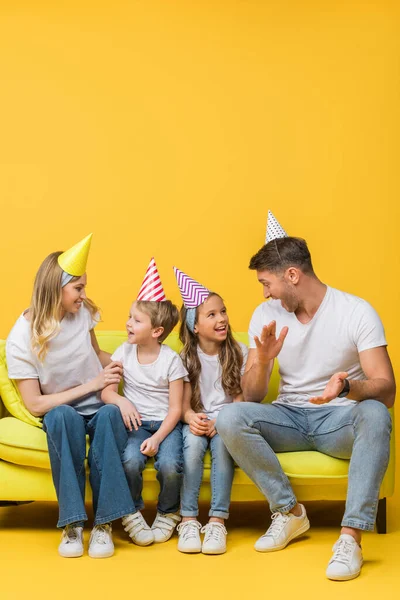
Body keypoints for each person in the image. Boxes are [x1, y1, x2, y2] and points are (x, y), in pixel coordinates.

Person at [216, 212, 395, 581]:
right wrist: (263, 360)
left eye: (267, 283)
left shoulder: (356, 312)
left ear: (292, 275)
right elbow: (251, 395)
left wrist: (346, 387)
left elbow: (387, 389)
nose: (265, 292)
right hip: (288, 418)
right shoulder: (264, 314)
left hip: (339, 421)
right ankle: (289, 512)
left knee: (376, 414)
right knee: (230, 417)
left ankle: (351, 538)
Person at [6, 234, 137, 559]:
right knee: (62, 417)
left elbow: (96, 354)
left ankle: (105, 524)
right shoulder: (21, 337)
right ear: (56, 288)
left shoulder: (83, 314)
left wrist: (138, 363)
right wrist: (92, 384)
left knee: (109, 415)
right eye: (78, 288)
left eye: (84, 288)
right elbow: (35, 404)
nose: (83, 295)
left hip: (100, 406)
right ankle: (73, 525)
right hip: (60, 408)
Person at [101, 258, 187, 546]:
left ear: (156, 331)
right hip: (135, 424)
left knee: (171, 464)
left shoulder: (171, 360)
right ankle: (134, 512)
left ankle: (168, 512)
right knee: (130, 461)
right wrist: (122, 402)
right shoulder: (123, 352)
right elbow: (106, 392)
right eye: (129, 317)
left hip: (166, 425)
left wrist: (160, 437)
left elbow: (176, 408)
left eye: (136, 320)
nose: (128, 323)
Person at [174, 267, 248, 554]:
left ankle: (217, 521)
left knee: (223, 449)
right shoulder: (183, 359)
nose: (222, 318)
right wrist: (192, 418)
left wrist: (222, 421)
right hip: (195, 420)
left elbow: (240, 400)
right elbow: (180, 406)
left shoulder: (238, 351)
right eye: (212, 314)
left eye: (223, 311)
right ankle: (189, 519)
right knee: (192, 449)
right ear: (194, 326)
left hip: (226, 421)